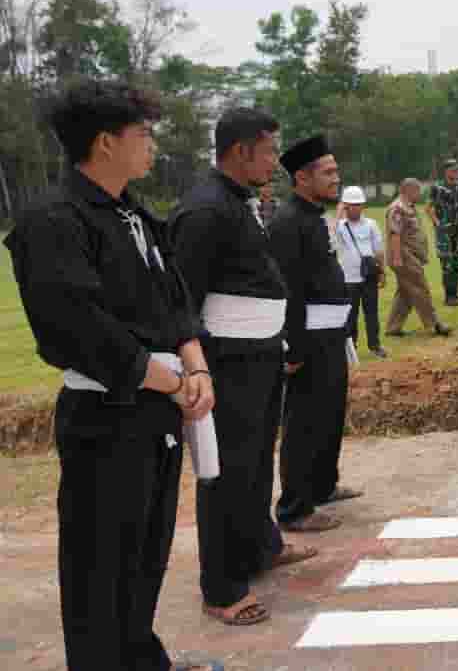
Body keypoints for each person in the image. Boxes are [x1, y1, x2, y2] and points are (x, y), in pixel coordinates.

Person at [4, 81, 219, 671]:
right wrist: (172, 382)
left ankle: (139, 657)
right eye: (144, 134)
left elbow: (173, 302)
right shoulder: (53, 222)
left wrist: (194, 361)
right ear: (105, 142)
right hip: (107, 416)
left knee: (146, 553)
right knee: (101, 564)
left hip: (157, 407)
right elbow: (79, 328)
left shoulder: (135, 215)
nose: (153, 145)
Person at [170, 108, 316, 628]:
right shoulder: (205, 209)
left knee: (254, 463)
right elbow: (181, 295)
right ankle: (222, 584)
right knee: (225, 472)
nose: (276, 162)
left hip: (258, 357)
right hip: (225, 365)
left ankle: (259, 546)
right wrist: (197, 366)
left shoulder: (239, 201)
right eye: (271, 151)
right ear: (240, 151)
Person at [270, 135, 362, 533]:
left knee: (330, 414)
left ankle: (324, 485)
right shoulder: (288, 222)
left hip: (331, 332)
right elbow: (286, 288)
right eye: (327, 173)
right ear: (302, 178)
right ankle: (295, 506)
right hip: (307, 336)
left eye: (335, 171)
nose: (335, 179)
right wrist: (292, 346)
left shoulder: (315, 216)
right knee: (305, 421)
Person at [385, 178, 452, 339]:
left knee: (405, 292)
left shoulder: (409, 207)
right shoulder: (398, 208)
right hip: (403, 255)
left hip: (409, 254)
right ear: (408, 190)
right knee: (420, 288)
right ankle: (434, 323)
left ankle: (393, 327)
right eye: (417, 191)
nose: (420, 194)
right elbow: (395, 234)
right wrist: (397, 258)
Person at [335, 186, 386, 359]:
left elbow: (379, 250)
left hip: (368, 276)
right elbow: (329, 239)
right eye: (351, 205)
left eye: (358, 204)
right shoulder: (339, 226)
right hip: (348, 279)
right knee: (351, 316)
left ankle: (375, 345)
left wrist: (382, 272)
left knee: (371, 313)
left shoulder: (371, 224)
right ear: (345, 206)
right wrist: (338, 214)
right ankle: (352, 348)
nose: (355, 208)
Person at [428, 158, 458, 306]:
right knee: (447, 263)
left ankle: (455, 294)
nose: (457, 173)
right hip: (444, 231)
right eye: (453, 170)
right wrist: (438, 224)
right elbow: (430, 208)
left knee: (457, 261)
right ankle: (449, 296)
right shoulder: (437, 187)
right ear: (446, 171)